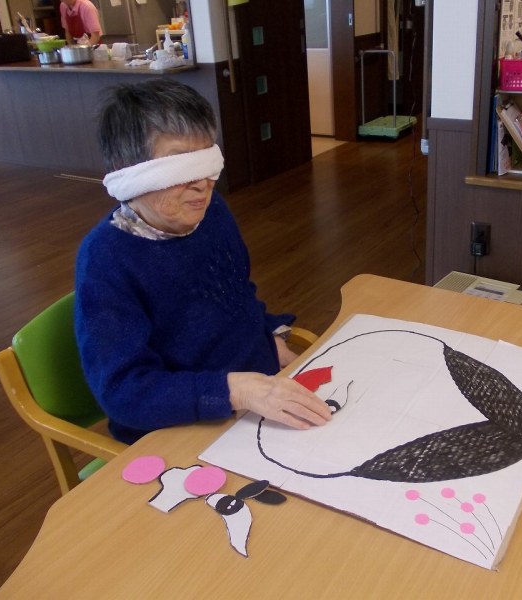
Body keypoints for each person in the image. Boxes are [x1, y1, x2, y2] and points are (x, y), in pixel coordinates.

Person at [75, 79, 331, 444]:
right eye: (181, 164)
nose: (204, 184)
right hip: (178, 429)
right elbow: (124, 393)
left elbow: (235, 291)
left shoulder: (211, 213)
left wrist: (267, 337)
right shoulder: (106, 260)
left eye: (207, 160)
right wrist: (235, 391)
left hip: (257, 396)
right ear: (126, 170)